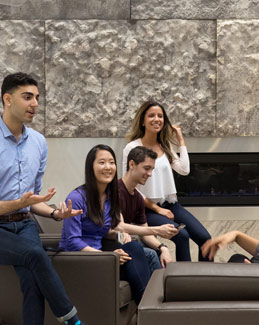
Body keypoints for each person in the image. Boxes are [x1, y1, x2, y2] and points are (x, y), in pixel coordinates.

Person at [0, 73, 84, 325]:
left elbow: (33, 199)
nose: (35, 104)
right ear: (7, 99)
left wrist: (54, 213)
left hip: (25, 225)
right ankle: (72, 320)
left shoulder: (39, 143)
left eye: (37, 98)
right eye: (27, 97)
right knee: (34, 254)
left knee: (32, 279)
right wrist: (20, 203)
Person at [59, 144, 153, 303]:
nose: (108, 167)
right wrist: (108, 256)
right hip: (80, 261)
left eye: (111, 162)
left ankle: (150, 307)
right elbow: (72, 241)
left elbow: (108, 228)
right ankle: (151, 309)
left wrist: (117, 239)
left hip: (101, 258)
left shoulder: (111, 197)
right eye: (102, 162)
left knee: (137, 250)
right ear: (91, 166)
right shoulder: (76, 198)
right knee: (139, 255)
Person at [123, 100, 212, 262]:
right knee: (182, 235)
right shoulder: (132, 148)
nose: (156, 119)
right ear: (142, 121)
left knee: (206, 239)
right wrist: (158, 210)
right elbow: (128, 186)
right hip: (146, 209)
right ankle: (182, 283)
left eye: (160, 116)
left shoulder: (164, 146)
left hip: (171, 205)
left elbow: (184, 170)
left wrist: (180, 141)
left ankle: (203, 282)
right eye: (151, 116)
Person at [119, 146, 178, 271]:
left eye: (152, 169)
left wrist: (163, 247)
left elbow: (145, 232)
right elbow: (119, 226)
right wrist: (157, 230)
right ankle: (157, 290)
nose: (150, 174)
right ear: (132, 164)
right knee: (151, 255)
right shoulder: (116, 191)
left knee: (158, 253)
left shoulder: (138, 198)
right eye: (146, 168)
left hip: (131, 245)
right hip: (116, 247)